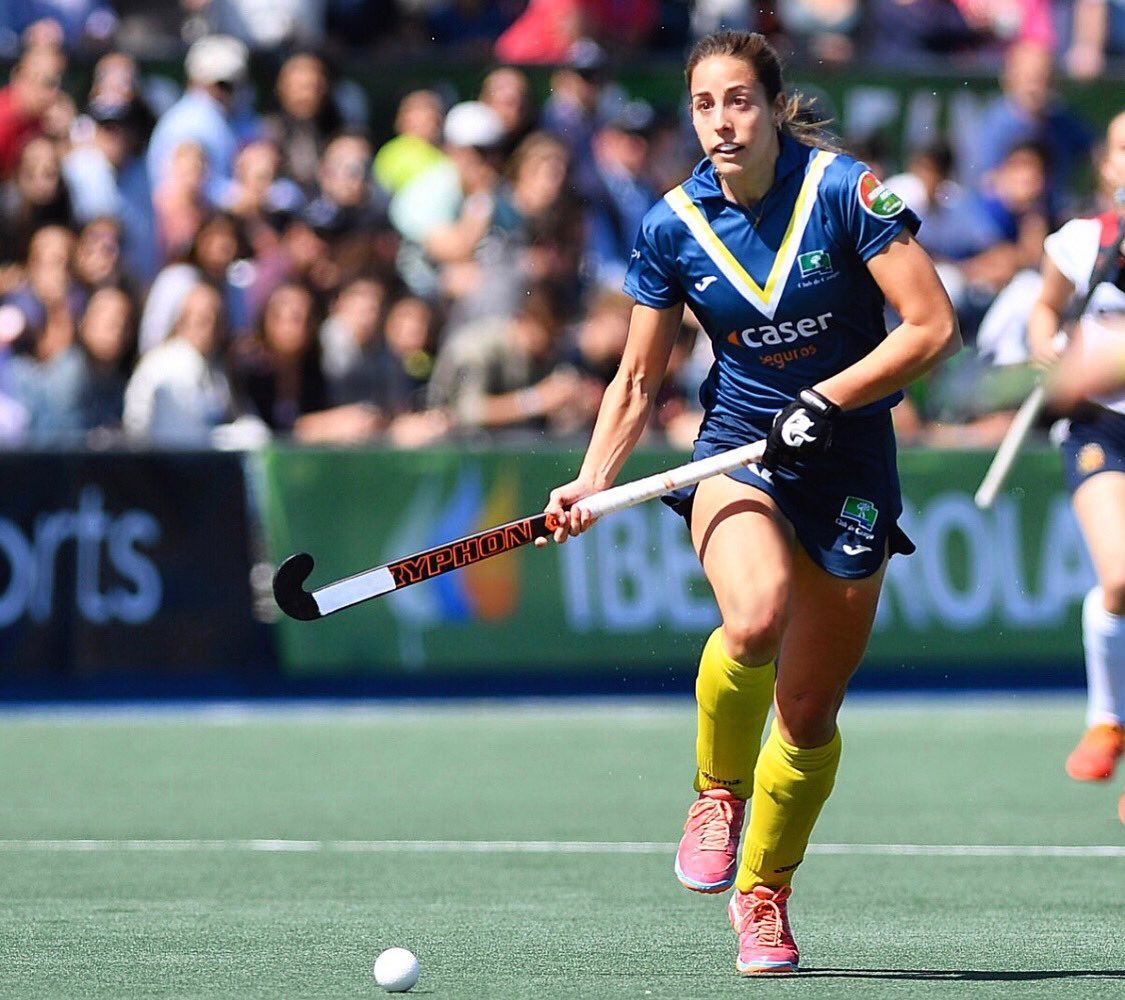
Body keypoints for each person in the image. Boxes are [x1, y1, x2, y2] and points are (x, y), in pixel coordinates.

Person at [540, 30, 960, 975]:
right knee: (756, 614)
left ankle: (763, 896)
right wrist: (592, 479)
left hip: (849, 463)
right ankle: (714, 792)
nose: (721, 123)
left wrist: (828, 399)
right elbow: (638, 380)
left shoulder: (845, 194)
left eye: (738, 101)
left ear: (772, 106)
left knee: (808, 713)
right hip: (739, 453)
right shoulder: (670, 227)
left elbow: (933, 327)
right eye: (703, 105)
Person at [1027, 109, 1125, 826]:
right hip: (1100, 427)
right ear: (1106, 163)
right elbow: (1043, 311)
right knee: (1120, 576)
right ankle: (1104, 717)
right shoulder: (1079, 243)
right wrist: (1045, 350)